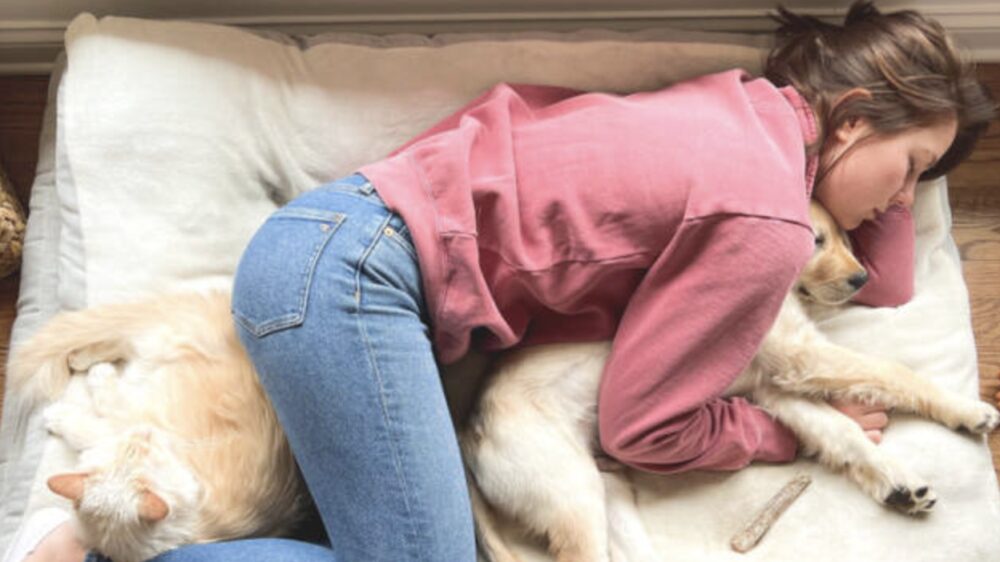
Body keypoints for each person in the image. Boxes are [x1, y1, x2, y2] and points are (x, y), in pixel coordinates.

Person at [8, 2, 994, 562]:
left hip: (325, 253)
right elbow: (642, 427)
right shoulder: (767, 221)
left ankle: (104, 541)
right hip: (355, 284)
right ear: (850, 117)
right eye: (911, 170)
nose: (901, 205)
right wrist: (780, 433)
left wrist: (884, 165)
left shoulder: (735, 108)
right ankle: (99, 550)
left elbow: (883, 284)